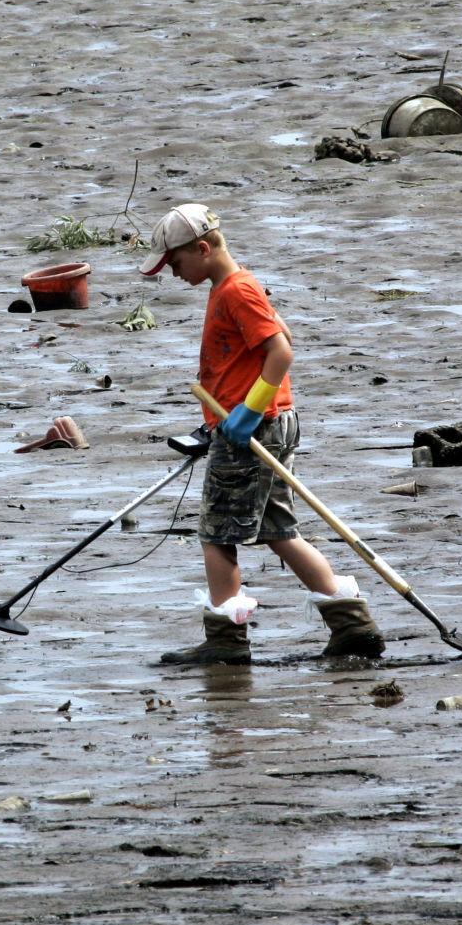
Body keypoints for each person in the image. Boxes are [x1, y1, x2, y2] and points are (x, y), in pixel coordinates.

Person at [138, 203, 384, 665]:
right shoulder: (233, 287)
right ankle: (353, 628)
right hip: (266, 422)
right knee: (278, 530)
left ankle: (225, 643)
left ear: (203, 249)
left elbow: (281, 352)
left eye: (174, 262)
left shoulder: (236, 291)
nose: (172, 272)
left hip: (255, 428)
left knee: (216, 533)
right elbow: (277, 333)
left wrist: (248, 411)